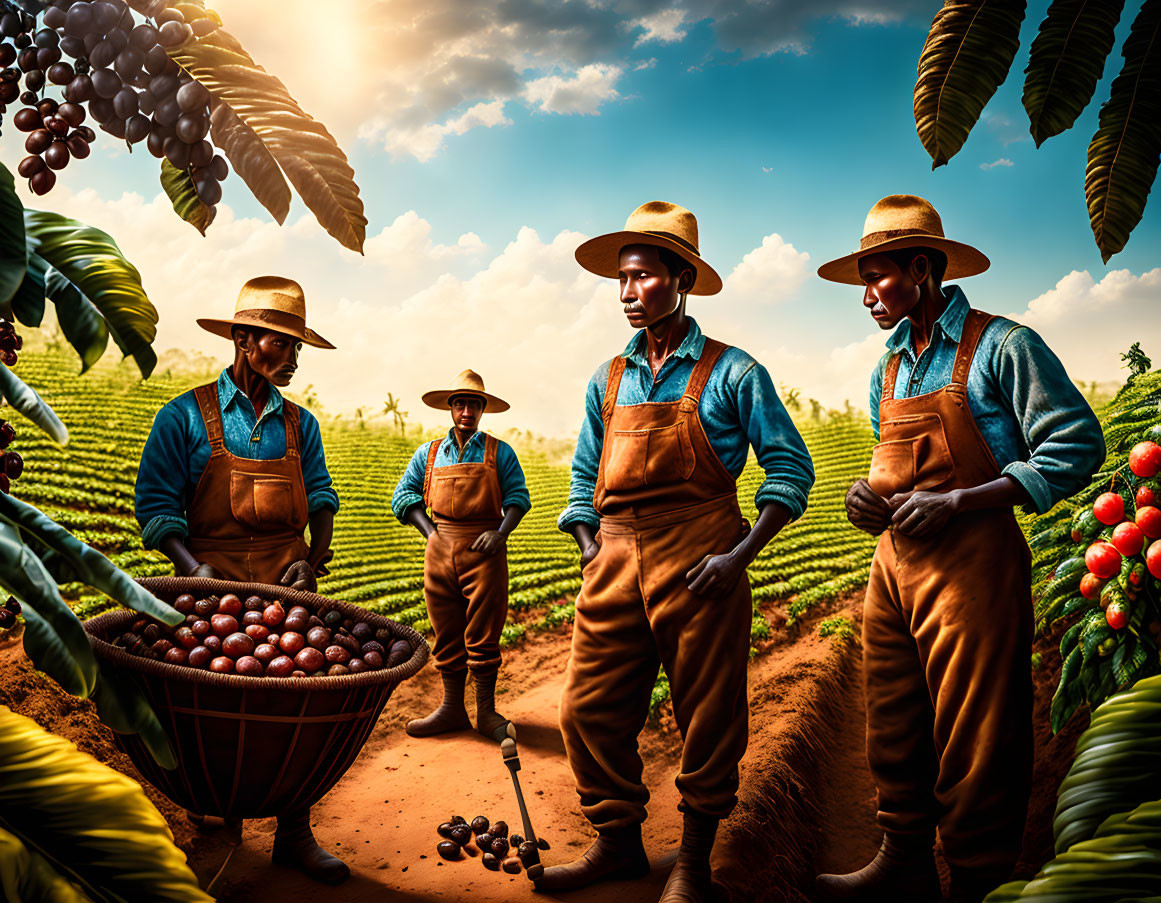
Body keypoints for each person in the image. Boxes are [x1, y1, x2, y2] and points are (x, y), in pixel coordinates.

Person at [814, 195, 1105, 903]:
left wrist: (958, 500)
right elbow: (892, 466)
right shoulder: (886, 367)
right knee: (893, 715)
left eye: (876, 276)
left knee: (977, 734)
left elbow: (1075, 446)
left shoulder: (1002, 345)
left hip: (972, 565)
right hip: (893, 569)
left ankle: (977, 878)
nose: (865, 297)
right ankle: (903, 855)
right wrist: (866, 502)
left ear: (920, 268)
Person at [539, 201, 815, 901]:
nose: (628, 294)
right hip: (613, 555)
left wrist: (740, 555)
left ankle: (692, 860)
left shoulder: (732, 372)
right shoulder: (606, 378)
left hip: (701, 556)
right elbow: (582, 474)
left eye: (641, 278)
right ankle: (618, 844)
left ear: (681, 277)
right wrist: (587, 543)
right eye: (621, 281)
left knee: (708, 712)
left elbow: (788, 468)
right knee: (587, 708)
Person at [134, 275, 347, 885]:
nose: (295, 358)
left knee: (297, 700)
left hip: (287, 585)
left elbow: (324, 495)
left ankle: (295, 831)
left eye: (298, 346)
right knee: (218, 703)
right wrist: (194, 572)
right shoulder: (184, 417)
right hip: (210, 584)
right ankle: (222, 806)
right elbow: (157, 507)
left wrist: (317, 556)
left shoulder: (300, 426)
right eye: (285, 344)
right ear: (245, 340)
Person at [392, 370, 530, 742]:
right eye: (459, 403)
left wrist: (500, 534)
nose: (466, 410)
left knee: (484, 629)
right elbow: (403, 496)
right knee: (445, 626)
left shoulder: (499, 451)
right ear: (451, 409)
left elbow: (518, 498)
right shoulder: (430, 453)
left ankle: (485, 711)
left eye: (473, 404)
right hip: (440, 547)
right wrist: (431, 534)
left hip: (483, 549)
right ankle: (452, 709)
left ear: (483, 410)